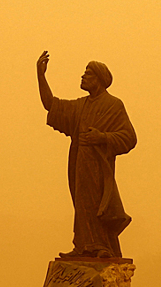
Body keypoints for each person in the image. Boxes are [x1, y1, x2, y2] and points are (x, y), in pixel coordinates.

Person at [36, 51, 137, 258]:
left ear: (99, 80)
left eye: (88, 74)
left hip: (99, 169)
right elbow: (51, 105)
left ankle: (101, 246)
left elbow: (129, 137)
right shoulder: (79, 106)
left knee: (98, 205)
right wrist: (41, 75)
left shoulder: (114, 105)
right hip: (79, 165)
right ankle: (83, 245)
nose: (82, 77)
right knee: (82, 205)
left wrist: (103, 137)